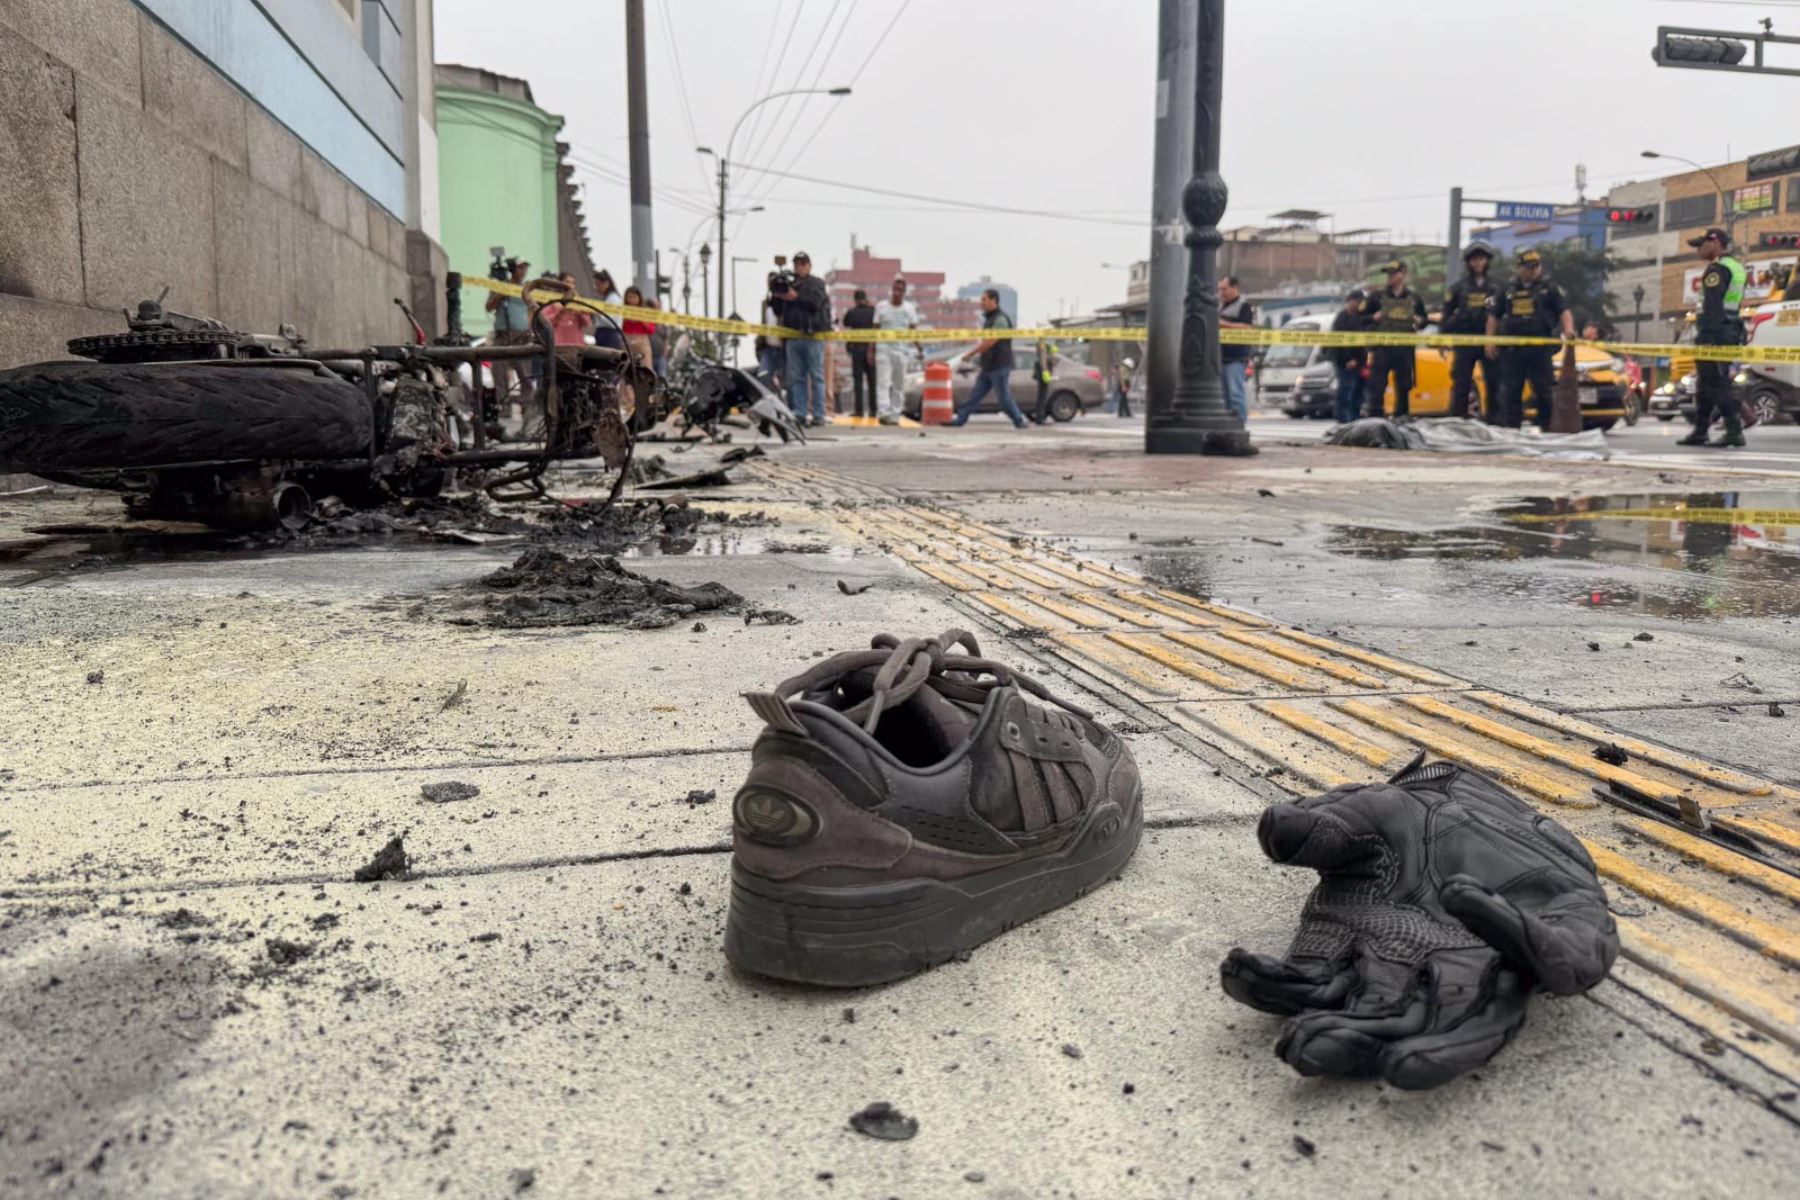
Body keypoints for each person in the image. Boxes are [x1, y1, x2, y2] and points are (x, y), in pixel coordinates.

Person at [1486, 248, 1575, 430]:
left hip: (1539, 348)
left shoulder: (1548, 288)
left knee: (1544, 390)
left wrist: (1569, 329)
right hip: (1513, 349)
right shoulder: (1507, 289)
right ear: (1518, 268)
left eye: (1536, 267)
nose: (1533, 271)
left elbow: (1563, 310)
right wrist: (1490, 340)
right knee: (1511, 390)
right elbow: (1494, 316)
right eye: (1528, 267)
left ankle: (1547, 427)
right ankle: (1512, 428)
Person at [1679, 227, 1748, 448]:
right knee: (1705, 383)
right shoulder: (1736, 267)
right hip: (1730, 330)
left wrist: (1707, 336)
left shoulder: (1717, 269)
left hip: (1715, 333)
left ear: (1715, 243)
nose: (1699, 250)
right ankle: (1700, 430)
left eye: (1702, 245)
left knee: (1717, 383)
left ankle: (1734, 431)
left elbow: (1712, 305)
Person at [1360, 260, 1428, 418]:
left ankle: (1401, 418)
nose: (1390, 277)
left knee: (1404, 386)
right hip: (1382, 349)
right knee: (1377, 386)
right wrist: (1374, 317)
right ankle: (1375, 418)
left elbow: (1425, 321)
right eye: (1388, 274)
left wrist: (1419, 320)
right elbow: (1361, 318)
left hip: (1404, 350)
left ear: (1403, 274)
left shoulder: (1414, 298)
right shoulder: (1377, 297)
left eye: (1394, 273)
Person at [952, 289, 1028, 428]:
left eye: (984, 299)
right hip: (988, 365)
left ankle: (1019, 420)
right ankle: (960, 420)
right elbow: (985, 340)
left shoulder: (1000, 319)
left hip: (999, 365)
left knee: (1004, 398)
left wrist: (971, 354)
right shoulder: (989, 319)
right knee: (975, 395)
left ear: (994, 300)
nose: (982, 303)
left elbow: (990, 341)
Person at [1443, 242, 1500, 420]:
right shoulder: (1457, 289)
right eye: (1474, 259)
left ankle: (1494, 421)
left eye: (1481, 259)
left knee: (1494, 383)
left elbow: (1503, 315)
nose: (1478, 263)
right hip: (1465, 342)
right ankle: (1457, 421)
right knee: (1461, 384)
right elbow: (1445, 319)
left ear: (1487, 261)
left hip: (1488, 342)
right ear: (1468, 262)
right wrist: (1458, 318)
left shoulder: (1497, 287)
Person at [776, 250, 831, 426]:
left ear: (808, 265)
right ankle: (799, 412)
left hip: (812, 334)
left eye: (802, 264)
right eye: (796, 264)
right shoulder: (791, 284)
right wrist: (777, 294)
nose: (798, 268)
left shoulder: (816, 283)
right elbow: (778, 310)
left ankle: (818, 414)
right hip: (793, 336)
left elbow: (815, 303)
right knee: (797, 377)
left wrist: (796, 297)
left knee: (816, 376)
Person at [484, 256, 536, 422]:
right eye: (520, 268)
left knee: (525, 375)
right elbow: (489, 307)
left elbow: (532, 309)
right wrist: (500, 294)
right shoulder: (500, 286)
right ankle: (504, 411)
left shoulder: (526, 289)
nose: (523, 271)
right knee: (499, 375)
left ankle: (526, 409)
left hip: (521, 336)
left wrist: (530, 328)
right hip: (502, 336)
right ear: (513, 269)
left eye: (525, 268)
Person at [871, 277, 920, 426]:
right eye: (895, 289)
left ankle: (895, 413)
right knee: (883, 383)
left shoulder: (909, 309)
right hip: (883, 350)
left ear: (904, 292)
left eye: (900, 290)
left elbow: (913, 331)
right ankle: (884, 412)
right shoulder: (881, 307)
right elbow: (875, 329)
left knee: (898, 385)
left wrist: (919, 348)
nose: (896, 293)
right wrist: (871, 349)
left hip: (902, 351)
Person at [1218, 275, 1256, 421]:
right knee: (1225, 395)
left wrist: (1223, 324)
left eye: (1224, 289)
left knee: (1235, 394)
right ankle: (1229, 423)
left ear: (1234, 288)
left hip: (1236, 357)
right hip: (1222, 356)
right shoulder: (1221, 306)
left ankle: (1240, 423)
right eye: (1220, 289)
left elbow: (1246, 327)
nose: (1221, 293)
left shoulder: (1243, 306)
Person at [1329, 289, 1367, 424]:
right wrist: (1347, 359)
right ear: (1350, 301)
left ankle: (1355, 420)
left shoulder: (1360, 318)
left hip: (1360, 362)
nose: (1359, 304)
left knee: (1358, 394)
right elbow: (1337, 342)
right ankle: (1343, 421)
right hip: (1345, 363)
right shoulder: (1341, 319)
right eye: (1357, 301)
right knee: (1346, 392)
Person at [841, 289, 877, 418]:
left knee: (858, 382)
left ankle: (859, 411)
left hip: (856, 350)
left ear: (855, 299)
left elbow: (845, 323)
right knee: (872, 382)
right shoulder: (873, 311)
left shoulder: (852, 312)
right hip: (871, 350)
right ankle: (874, 410)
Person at [540, 272, 593, 347]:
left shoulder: (579, 302)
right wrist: (560, 313)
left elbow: (587, 324)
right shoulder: (551, 302)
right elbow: (546, 325)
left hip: (577, 347)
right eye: (567, 282)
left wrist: (581, 312)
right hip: (558, 347)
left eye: (573, 283)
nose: (570, 285)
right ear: (559, 283)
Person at [620, 285, 655, 368]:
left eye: (634, 297)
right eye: (629, 297)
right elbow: (620, 327)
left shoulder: (645, 312)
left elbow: (651, 330)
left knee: (645, 368)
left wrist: (644, 321)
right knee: (626, 368)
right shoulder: (622, 311)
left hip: (642, 342)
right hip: (627, 342)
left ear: (639, 298)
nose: (631, 300)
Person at [592, 269, 625, 352]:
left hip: (609, 334)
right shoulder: (605, 299)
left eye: (598, 284)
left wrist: (596, 310)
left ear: (606, 284)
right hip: (603, 334)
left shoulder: (613, 299)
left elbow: (609, 320)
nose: (596, 287)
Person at [1030, 338, 1059, 423]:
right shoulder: (1042, 344)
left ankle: (1041, 416)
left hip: (1044, 372)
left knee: (1042, 394)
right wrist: (1044, 371)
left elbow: (1049, 359)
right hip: (1044, 372)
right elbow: (1043, 358)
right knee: (1042, 395)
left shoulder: (1043, 343)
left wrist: (1053, 353)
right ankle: (1040, 417)